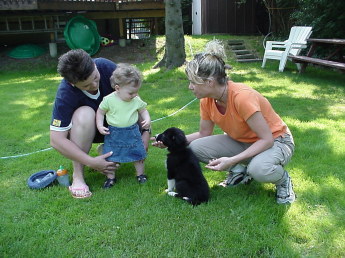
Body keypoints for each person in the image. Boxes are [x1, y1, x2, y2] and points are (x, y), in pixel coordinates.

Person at [152, 40, 296, 204]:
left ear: (209, 82)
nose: (190, 87)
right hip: (242, 141)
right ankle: (239, 172)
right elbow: (203, 133)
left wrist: (232, 160)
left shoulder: (242, 97)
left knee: (259, 169)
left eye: (193, 82)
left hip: (276, 141)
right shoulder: (207, 100)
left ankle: (283, 181)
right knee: (194, 148)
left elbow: (267, 139)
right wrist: (170, 142)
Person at [50, 49, 150, 198]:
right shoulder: (65, 94)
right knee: (84, 113)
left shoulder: (106, 67)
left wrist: (145, 133)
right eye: (87, 85)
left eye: (96, 77)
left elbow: (136, 102)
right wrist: (91, 162)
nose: (95, 85)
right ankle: (78, 177)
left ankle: (107, 148)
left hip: (119, 128)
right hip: (88, 129)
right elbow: (56, 140)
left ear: (94, 65)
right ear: (72, 83)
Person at [96, 63, 151, 188]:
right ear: (117, 88)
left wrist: (147, 119)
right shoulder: (109, 100)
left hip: (132, 131)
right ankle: (111, 178)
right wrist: (99, 125)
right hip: (114, 133)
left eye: (136, 92)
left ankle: (140, 174)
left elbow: (143, 110)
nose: (135, 95)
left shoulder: (135, 100)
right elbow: (100, 112)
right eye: (131, 93)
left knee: (138, 154)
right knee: (111, 156)